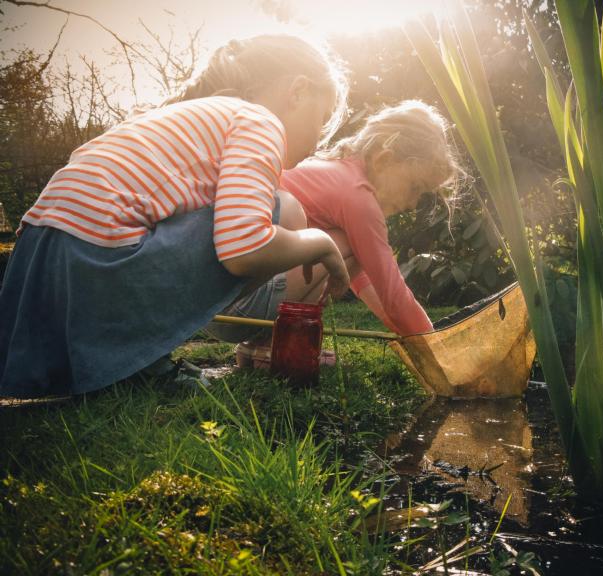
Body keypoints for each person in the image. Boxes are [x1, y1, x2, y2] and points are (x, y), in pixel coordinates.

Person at [0, 34, 351, 397]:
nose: (319, 142)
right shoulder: (259, 120)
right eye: (322, 120)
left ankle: (128, 358)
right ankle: (141, 363)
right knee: (279, 209)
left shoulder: (189, 117)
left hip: (37, 265)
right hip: (96, 261)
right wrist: (319, 242)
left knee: (252, 209)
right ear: (297, 91)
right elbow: (244, 248)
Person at [209, 100, 460, 368]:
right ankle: (280, 346)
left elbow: (366, 282)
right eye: (415, 187)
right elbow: (393, 293)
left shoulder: (334, 172)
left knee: (344, 248)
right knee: (341, 244)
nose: (413, 202)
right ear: (384, 159)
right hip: (239, 305)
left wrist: (409, 335)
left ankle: (259, 347)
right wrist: (439, 350)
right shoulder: (357, 198)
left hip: (217, 306)